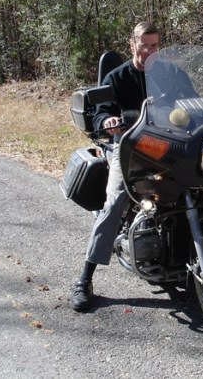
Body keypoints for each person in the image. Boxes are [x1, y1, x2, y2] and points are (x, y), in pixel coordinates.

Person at [71, 22, 160, 312]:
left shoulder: (169, 73)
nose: (149, 51)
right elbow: (100, 114)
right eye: (143, 45)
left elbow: (192, 99)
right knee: (116, 199)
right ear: (132, 45)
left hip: (167, 144)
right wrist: (107, 121)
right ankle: (85, 278)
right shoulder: (117, 77)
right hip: (126, 146)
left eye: (154, 45)